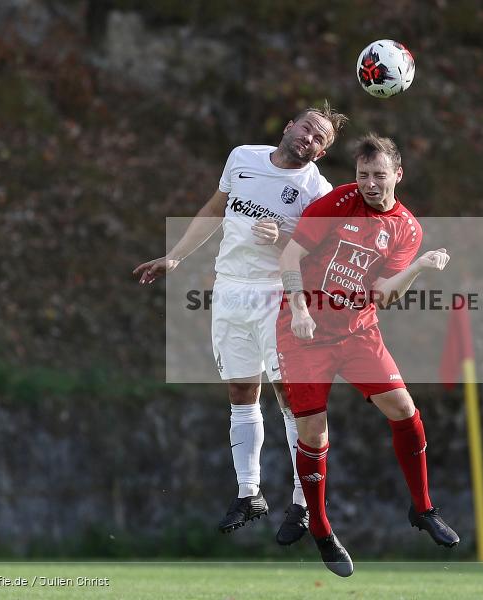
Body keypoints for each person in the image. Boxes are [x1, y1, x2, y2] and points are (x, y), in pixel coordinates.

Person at [133, 103, 348, 545]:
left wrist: (286, 238)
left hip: (277, 296)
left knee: (291, 399)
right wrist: (176, 256)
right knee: (240, 391)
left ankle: (303, 500)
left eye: (319, 139)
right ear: (289, 127)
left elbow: (323, 256)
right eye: (307, 128)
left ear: (321, 153)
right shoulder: (242, 157)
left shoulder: (316, 190)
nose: (309, 138)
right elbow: (214, 210)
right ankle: (249, 493)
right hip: (230, 291)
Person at [277, 133, 459, 577]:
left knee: (403, 409)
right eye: (362, 175)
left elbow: (384, 294)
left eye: (379, 175)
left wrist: (418, 267)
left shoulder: (406, 228)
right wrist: (299, 308)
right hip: (303, 331)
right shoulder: (339, 203)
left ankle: (423, 508)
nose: (370, 184)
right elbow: (290, 256)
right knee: (314, 435)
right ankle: (320, 527)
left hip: (358, 331)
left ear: (398, 174)